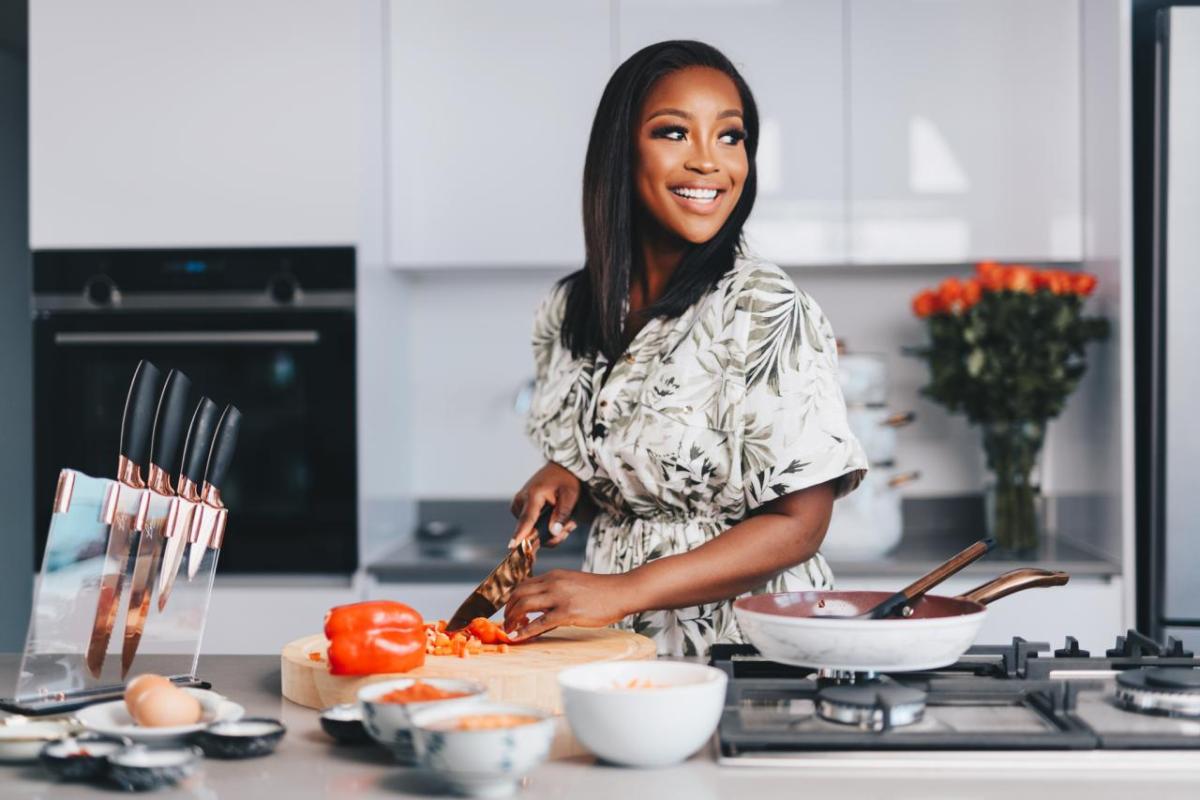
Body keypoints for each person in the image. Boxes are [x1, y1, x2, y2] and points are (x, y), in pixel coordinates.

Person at [504, 40, 868, 656]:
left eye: (731, 137)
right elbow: (626, 481)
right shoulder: (569, 310)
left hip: (752, 651)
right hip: (615, 646)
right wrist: (566, 480)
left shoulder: (763, 306)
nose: (710, 163)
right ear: (621, 151)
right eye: (674, 133)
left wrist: (623, 589)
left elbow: (799, 526)